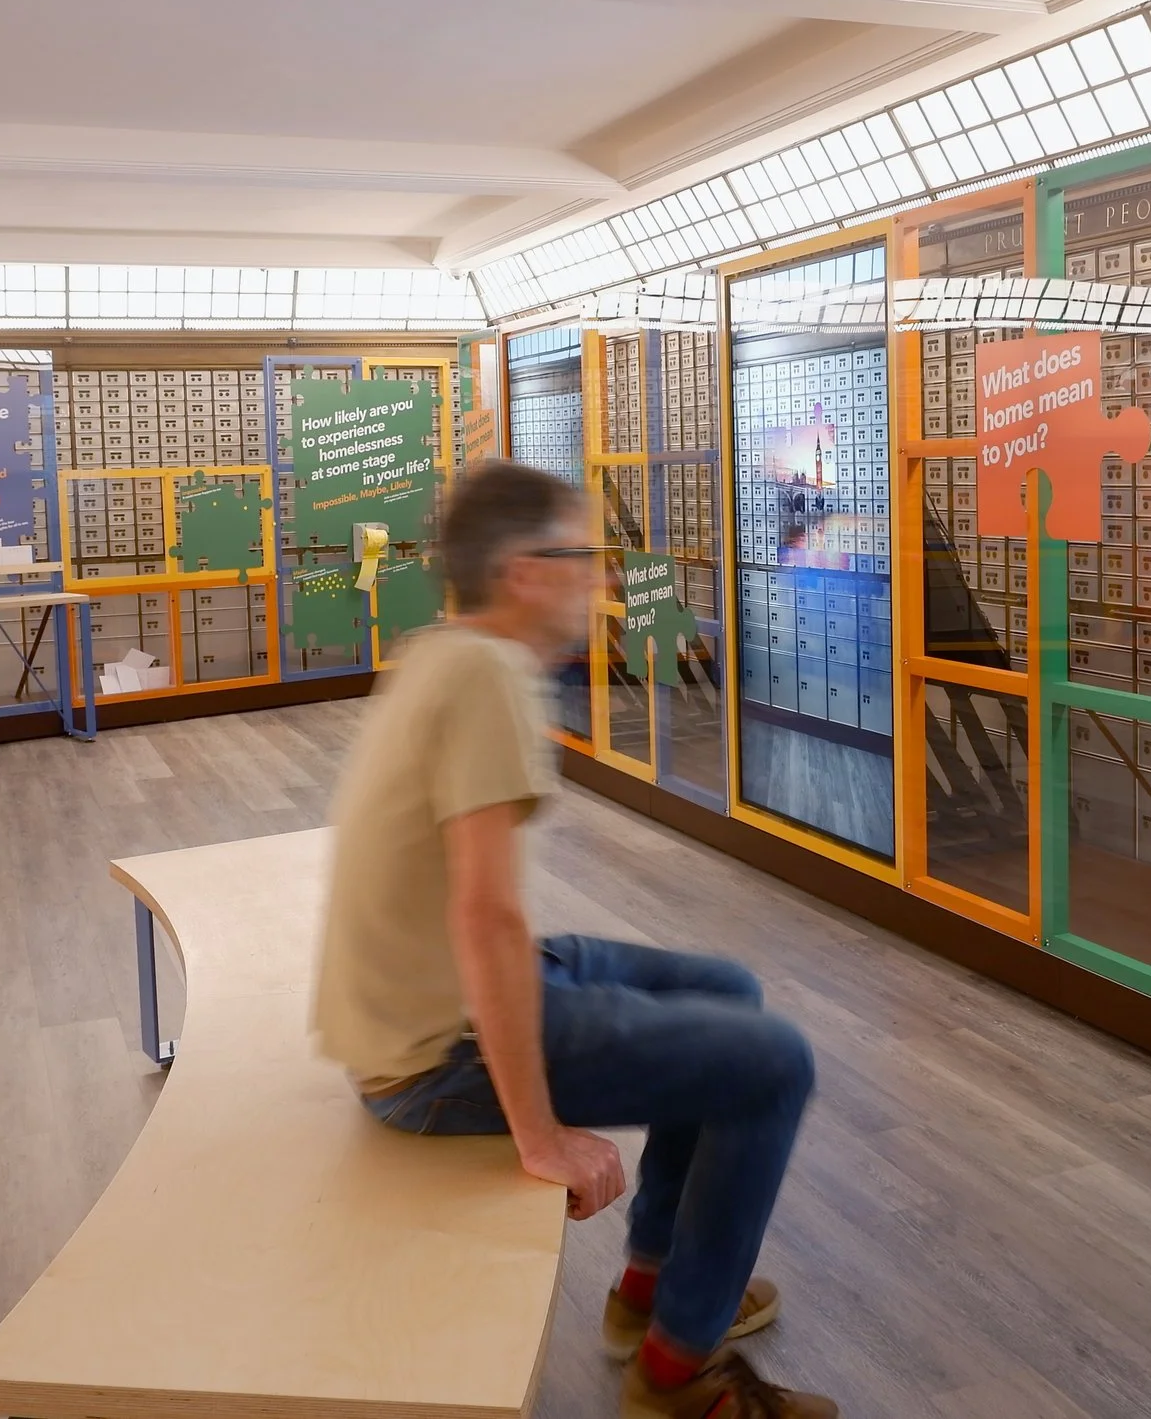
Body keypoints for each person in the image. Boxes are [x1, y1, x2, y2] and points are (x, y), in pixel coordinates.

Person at [313, 459, 836, 1419]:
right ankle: (678, 1375)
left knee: (725, 989)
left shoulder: (445, 650)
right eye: (582, 557)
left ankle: (653, 1288)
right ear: (523, 571)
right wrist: (540, 1133)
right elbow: (486, 915)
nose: (601, 580)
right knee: (775, 1064)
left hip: (424, 1004)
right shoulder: (485, 678)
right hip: (434, 1054)